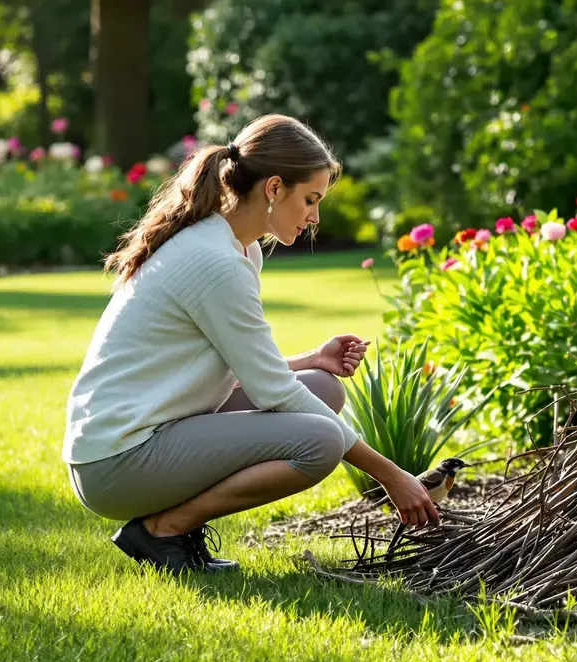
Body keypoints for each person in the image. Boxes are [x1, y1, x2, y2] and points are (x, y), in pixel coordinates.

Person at [62, 114, 439, 574]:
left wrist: (311, 359)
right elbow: (275, 393)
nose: (315, 217)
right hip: (116, 461)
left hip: (151, 428)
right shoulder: (215, 261)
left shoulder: (238, 247)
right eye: (310, 200)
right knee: (319, 442)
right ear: (274, 188)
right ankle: (164, 530)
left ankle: (168, 526)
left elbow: (237, 365)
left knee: (324, 387)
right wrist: (390, 474)